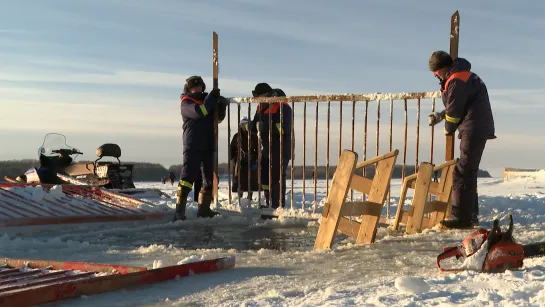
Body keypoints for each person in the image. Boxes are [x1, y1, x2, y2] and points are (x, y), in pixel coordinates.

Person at [427, 51, 496, 229]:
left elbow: (455, 112)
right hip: (477, 125)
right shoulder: (461, 76)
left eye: (435, 71)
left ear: (443, 68)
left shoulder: (456, 79)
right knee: (469, 171)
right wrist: (441, 115)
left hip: (473, 127)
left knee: (462, 171)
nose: (435, 75)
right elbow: (458, 104)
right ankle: (471, 216)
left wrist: (447, 128)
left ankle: (461, 218)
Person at [174, 75, 229, 221]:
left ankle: (204, 209)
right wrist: (211, 99)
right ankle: (179, 211)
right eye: (194, 88)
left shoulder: (206, 101)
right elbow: (201, 112)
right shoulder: (186, 102)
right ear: (188, 89)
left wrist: (221, 106)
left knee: (208, 178)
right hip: (193, 144)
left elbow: (217, 119)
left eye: (199, 87)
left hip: (208, 144)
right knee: (187, 177)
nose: (196, 90)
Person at [250, 83, 293, 209]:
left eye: (259, 96)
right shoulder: (260, 107)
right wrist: (251, 126)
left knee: (276, 177)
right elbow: (256, 123)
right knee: (264, 177)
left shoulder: (282, 105)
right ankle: (270, 203)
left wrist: (266, 127)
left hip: (280, 148)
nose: (258, 99)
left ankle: (278, 206)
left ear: (266, 94)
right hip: (267, 147)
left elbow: (285, 128)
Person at [230, 117, 260, 200]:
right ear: (240, 125)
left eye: (246, 124)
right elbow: (232, 148)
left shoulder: (253, 136)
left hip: (251, 159)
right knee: (240, 179)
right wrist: (232, 158)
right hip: (240, 160)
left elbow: (258, 149)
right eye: (243, 124)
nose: (244, 126)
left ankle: (249, 197)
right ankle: (240, 197)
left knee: (251, 179)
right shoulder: (237, 136)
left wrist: (257, 158)